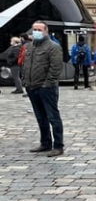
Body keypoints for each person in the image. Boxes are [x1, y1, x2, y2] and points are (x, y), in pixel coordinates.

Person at [22, 21, 64, 157]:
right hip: (32, 87)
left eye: (39, 29)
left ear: (46, 31)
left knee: (53, 117)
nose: (36, 32)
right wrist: (25, 81)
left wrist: (48, 83)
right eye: (34, 29)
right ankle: (45, 143)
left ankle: (58, 146)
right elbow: (26, 65)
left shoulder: (53, 47)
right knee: (41, 117)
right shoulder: (29, 47)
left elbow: (56, 68)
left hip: (46, 88)